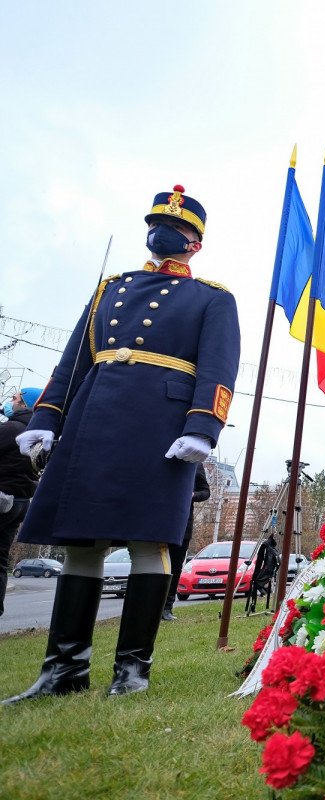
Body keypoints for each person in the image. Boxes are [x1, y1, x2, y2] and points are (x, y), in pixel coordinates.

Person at [4, 185, 240, 703]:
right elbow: (74, 360)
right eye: (157, 225)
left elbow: (219, 368)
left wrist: (203, 427)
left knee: (147, 541)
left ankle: (131, 673)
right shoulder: (111, 287)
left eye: (177, 229)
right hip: (95, 420)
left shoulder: (214, 299)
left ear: (194, 244)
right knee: (81, 543)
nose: (164, 234)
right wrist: (46, 416)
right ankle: (64, 671)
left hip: (161, 429)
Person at [0, 387, 44, 616]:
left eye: (15, 398)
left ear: (25, 403)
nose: (11, 401)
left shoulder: (12, 429)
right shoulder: (37, 432)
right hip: (20, 502)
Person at [162, 467, 211, 621]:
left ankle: (167, 608)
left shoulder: (195, 463)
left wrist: (192, 495)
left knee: (175, 566)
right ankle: (149, 605)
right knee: (155, 563)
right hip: (158, 519)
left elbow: (205, 491)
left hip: (182, 523)